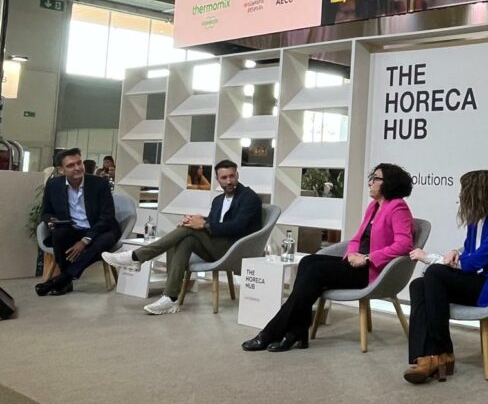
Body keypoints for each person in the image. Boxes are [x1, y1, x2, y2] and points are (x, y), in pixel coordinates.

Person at [242, 164, 415, 352]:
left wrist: (367, 258)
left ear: (389, 183)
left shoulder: (398, 207)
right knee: (308, 261)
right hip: (355, 263)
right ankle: (297, 332)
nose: (370, 182)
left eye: (376, 178)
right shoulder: (374, 206)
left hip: (373, 270)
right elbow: (357, 238)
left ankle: (272, 333)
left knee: (316, 272)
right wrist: (351, 254)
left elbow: (404, 245)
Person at [404, 170, 488, 384]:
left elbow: (475, 261)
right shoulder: (475, 221)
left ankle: (442, 353)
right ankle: (426, 357)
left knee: (434, 273)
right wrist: (455, 252)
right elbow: (469, 254)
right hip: (481, 282)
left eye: (463, 191)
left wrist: (432, 258)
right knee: (418, 285)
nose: (460, 197)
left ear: (476, 193)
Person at [102, 160, 262, 315]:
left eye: (232, 176)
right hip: (216, 246)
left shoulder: (249, 197)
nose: (229, 181)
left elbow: (237, 227)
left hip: (235, 250)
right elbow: (215, 223)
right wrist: (194, 220)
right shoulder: (218, 200)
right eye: (224, 177)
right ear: (217, 179)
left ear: (237, 175)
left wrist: (203, 225)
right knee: (185, 239)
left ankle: (137, 257)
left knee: (188, 229)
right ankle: (170, 298)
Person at [35, 148, 121, 296]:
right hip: (73, 228)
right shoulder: (53, 185)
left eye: (79, 163)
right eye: (70, 165)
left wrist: (85, 240)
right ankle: (65, 281)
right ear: (61, 170)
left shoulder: (99, 184)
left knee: (102, 241)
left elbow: (107, 217)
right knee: (59, 234)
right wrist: (50, 220)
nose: (77, 168)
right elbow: (46, 212)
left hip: (100, 229)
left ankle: (63, 279)